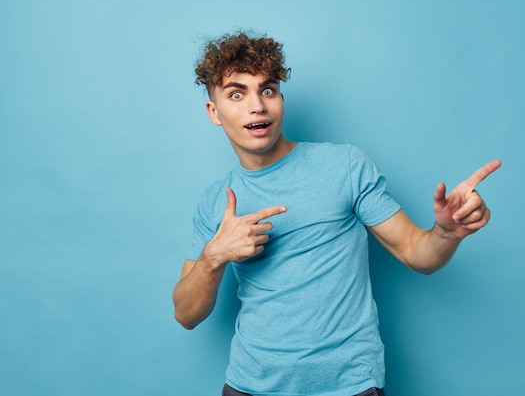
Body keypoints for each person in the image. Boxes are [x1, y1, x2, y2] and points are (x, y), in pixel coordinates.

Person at [172, 31, 501, 396]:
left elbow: (415, 252)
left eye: (267, 90)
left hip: (348, 386)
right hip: (251, 386)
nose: (257, 106)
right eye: (237, 94)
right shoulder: (214, 200)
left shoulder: (344, 165)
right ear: (213, 112)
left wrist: (446, 233)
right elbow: (186, 314)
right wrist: (214, 256)